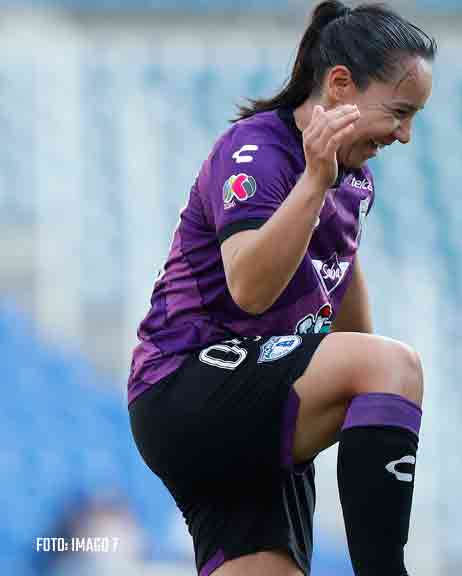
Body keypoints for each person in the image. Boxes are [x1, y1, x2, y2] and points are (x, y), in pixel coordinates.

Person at [127, 3, 435, 575]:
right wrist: (316, 183)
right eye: (399, 112)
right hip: (187, 385)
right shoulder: (257, 151)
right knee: (398, 365)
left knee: (384, 369)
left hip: (255, 419)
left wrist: (363, 400)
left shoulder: (352, 181)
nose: (406, 135)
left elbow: (349, 333)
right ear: (340, 85)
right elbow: (249, 289)